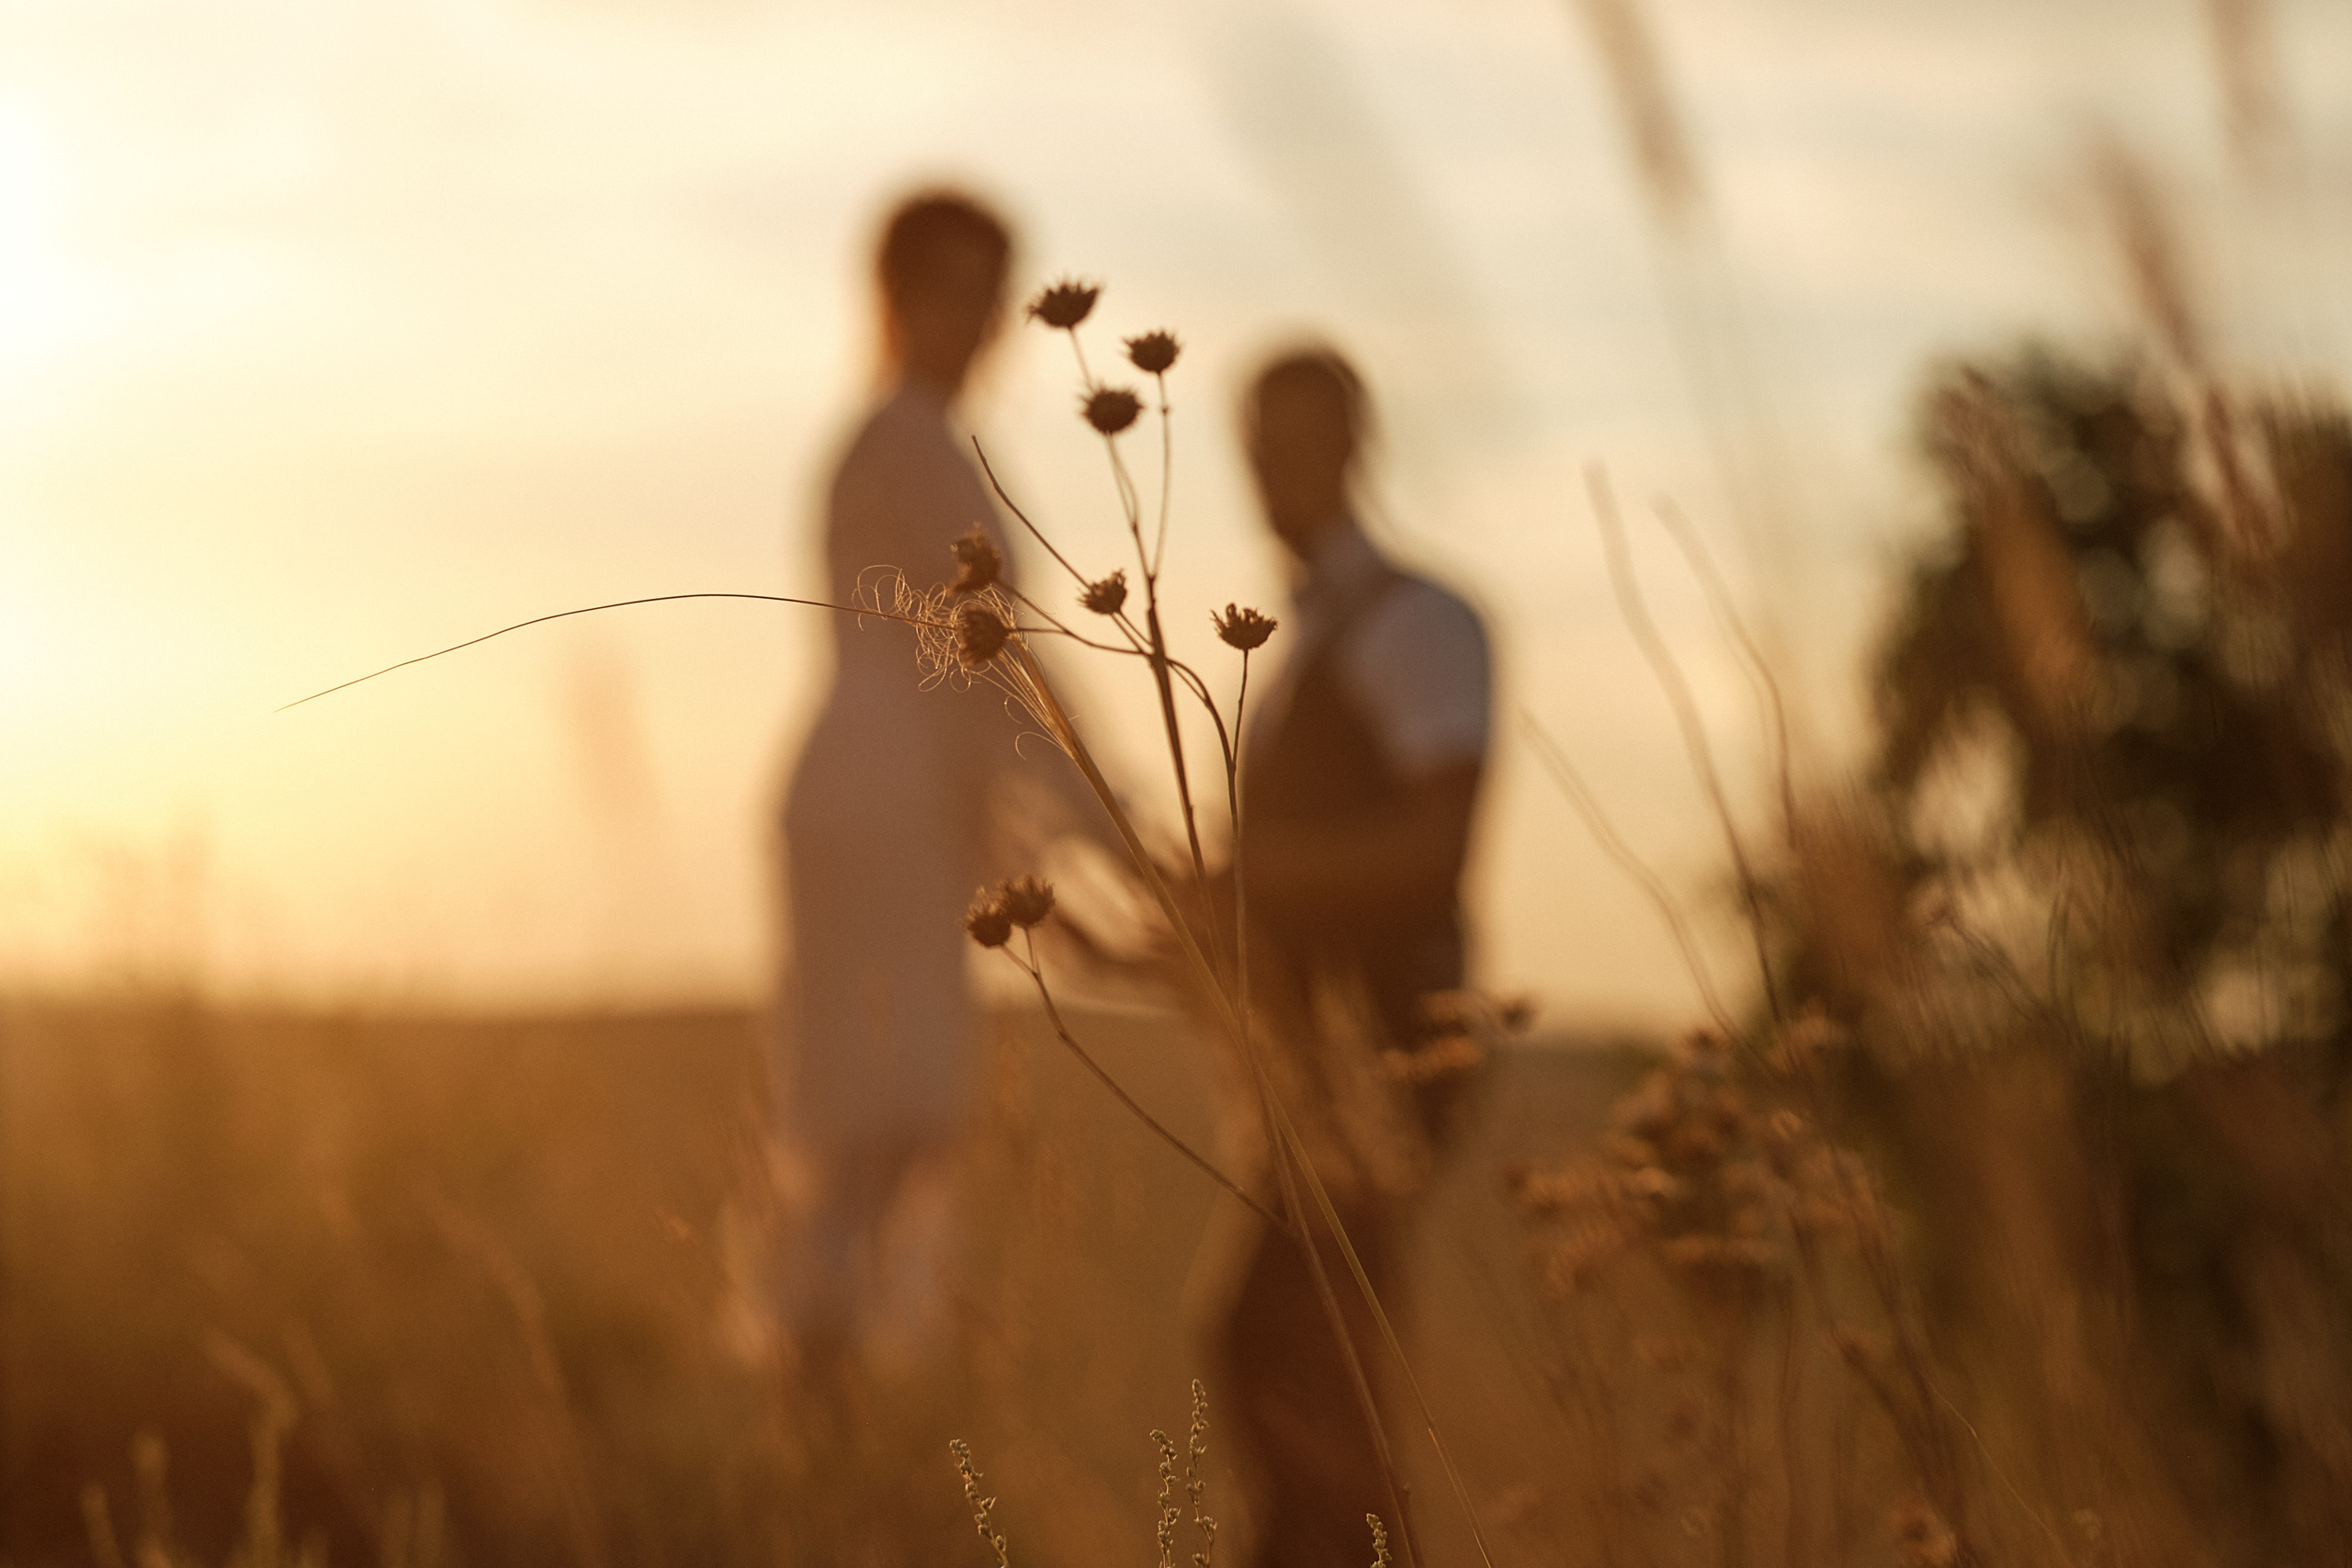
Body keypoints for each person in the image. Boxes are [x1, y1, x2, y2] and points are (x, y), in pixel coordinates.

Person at [1203, 345, 1493, 1568]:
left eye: (1302, 438)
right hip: (1307, 1046)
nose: (1277, 467)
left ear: (1360, 444)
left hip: (1388, 1038)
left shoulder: (1421, 623)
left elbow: (1436, 848)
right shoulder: (1297, 642)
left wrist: (1244, 881)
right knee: (1301, 1355)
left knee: (1281, 1341)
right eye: (1260, 442)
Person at [771, 189, 1040, 1378]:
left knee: (893, 1124)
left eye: (992, 292)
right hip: (878, 803)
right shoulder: (907, 444)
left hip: (899, 802)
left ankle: (824, 1423)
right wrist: (1123, 829)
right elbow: (994, 668)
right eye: (954, 288)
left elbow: (991, 682)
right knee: (880, 1118)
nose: (982, 320)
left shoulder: (913, 441)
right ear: (895, 297)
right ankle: (814, 1409)